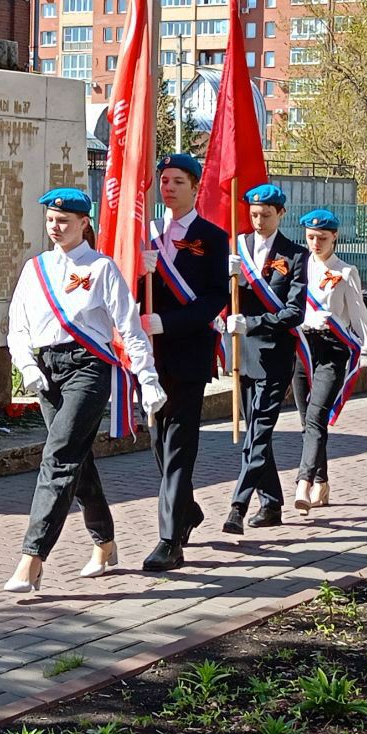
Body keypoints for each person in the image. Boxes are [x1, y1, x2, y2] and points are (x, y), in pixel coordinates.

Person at [4, 187, 167, 593]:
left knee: (58, 457)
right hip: (47, 369)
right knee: (77, 459)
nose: (55, 227)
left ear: (83, 223)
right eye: (50, 220)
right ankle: (105, 541)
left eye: (64, 220)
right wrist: (26, 365)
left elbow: (128, 328)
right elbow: (17, 325)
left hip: (89, 368)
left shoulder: (101, 268)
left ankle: (32, 559)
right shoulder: (34, 269)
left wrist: (147, 378)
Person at [139, 153, 230, 571]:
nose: (169, 187)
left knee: (178, 447)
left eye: (178, 180)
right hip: (151, 358)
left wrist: (166, 321)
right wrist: (140, 272)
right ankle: (187, 508)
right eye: (164, 180)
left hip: (188, 353)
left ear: (195, 187)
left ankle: (169, 541)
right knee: (158, 444)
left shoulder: (211, 236)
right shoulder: (146, 234)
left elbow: (215, 298)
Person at [221, 183, 307, 534]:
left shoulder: (295, 255)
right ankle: (271, 504)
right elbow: (223, 299)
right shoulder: (237, 248)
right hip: (242, 352)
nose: (258, 220)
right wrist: (230, 280)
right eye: (254, 214)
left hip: (273, 354)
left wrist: (252, 322)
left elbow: (294, 312)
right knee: (257, 432)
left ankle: (237, 505)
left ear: (280, 213)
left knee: (257, 432)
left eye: (266, 215)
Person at [290, 210, 367, 514]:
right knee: (308, 422)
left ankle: (303, 483)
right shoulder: (299, 266)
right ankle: (322, 482)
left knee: (317, 418)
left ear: (335, 237)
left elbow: (359, 318)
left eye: (322, 238)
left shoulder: (346, 271)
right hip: (303, 349)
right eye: (310, 237)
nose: (315, 243)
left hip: (332, 350)